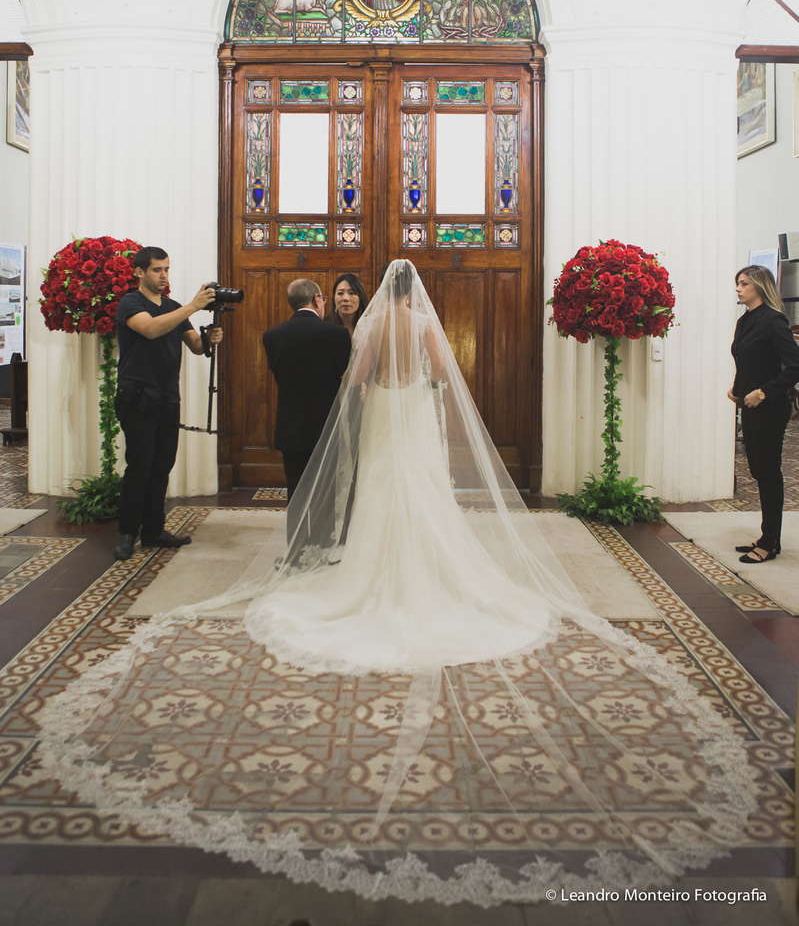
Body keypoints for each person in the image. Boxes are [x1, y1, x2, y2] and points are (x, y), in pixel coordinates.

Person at [43, 262, 755, 904]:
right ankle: (436, 576)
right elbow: (445, 379)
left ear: (381, 293)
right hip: (415, 418)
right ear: (422, 296)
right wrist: (420, 394)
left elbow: (354, 384)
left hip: (383, 417)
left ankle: (365, 573)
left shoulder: (376, 325)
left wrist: (365, 392)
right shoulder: (421, 325)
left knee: (380, 497)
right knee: (423, 501)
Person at [113, 247, 223, 561]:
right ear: (139, 272)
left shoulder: (174, 307)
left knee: (162, 467)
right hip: (137, 398)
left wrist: (211, 338)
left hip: (167, 398)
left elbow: (197, 347)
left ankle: (153, 531)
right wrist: (192, 306)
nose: (163, 276)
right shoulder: (130, 303)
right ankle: (127, 533)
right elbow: (149, 329)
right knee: (140, 467)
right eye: (157, 270)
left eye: (166, 270)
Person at [262, 279, 351, 530]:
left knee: (296, 490)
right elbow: (345, 376)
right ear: (316, 300)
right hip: (326, 425)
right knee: (325, 491)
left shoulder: (272, 336)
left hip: (291, 426)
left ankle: (297, 550)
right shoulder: (336, 334)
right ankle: (321, 546)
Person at [728, 264, 799, 563]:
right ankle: (767, 536)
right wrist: (737, 389)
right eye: (737, 283)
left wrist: (764, 392)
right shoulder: (745, 321)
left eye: (743, 283)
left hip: (770, 407)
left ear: (759, 285)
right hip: (750, 404)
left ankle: (769, 542)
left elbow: (795, 366)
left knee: (768, 473)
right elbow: (745, 361)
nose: (738, 288)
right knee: (757, 470)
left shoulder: (773, 320)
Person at [326, 271, 369, 337]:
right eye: (340, 293)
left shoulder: (370, 326)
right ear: (334, 298)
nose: (345, 298)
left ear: (361, 297)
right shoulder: (324, 325)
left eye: (351, 293)